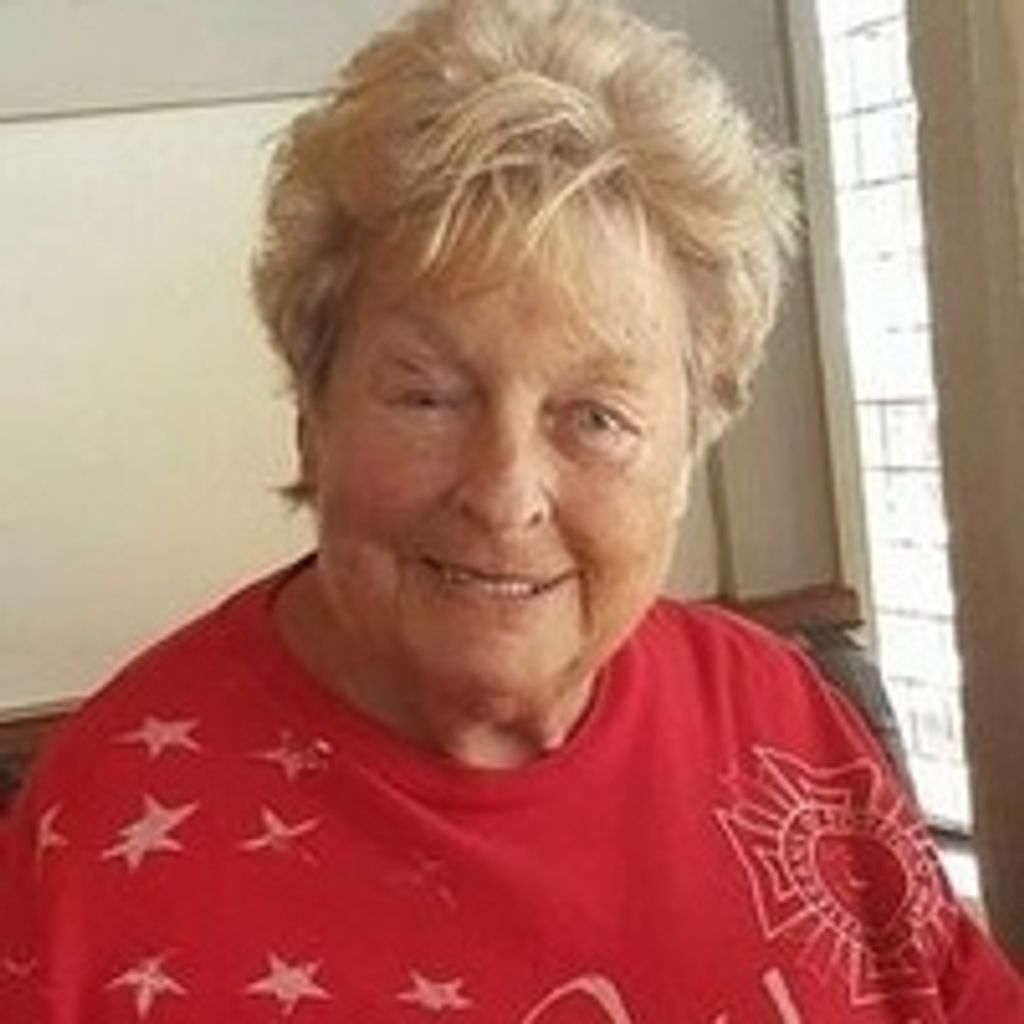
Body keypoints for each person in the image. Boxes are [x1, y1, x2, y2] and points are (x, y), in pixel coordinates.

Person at [2, 0, 1021, 1019]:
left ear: (689, 451)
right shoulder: (96, 848)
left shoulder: (779, 719)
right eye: (427, 397)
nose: (503, 495)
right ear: (312, 413)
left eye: (597, 417)